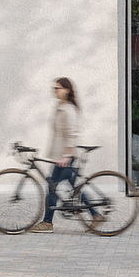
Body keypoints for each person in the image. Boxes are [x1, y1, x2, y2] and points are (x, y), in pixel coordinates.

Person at [31, 77, 103, 232]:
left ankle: (48, 223)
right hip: (60, 155)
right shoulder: (61, 106)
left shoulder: (68, 109)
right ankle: (95, 214)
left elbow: (72, 134)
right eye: (54, 88)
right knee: (66, 186)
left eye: (58, 88)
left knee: (53, 186)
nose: (55, 90)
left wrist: (67, 155)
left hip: (65, 156)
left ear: (67, 90)